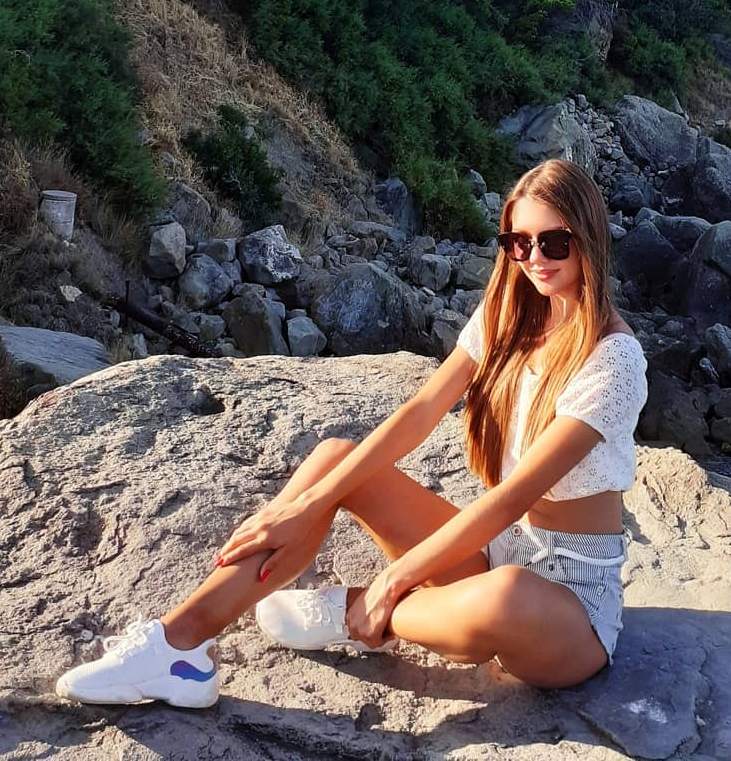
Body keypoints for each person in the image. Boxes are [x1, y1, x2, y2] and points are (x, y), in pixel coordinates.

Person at [56, 159, 648, 707]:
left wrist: (392, 580)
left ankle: (355, 611)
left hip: (570, 609)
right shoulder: (508, 314)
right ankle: (179, 645)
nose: (535, 258)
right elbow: (421, 411)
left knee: (507, 595)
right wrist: (305, 505)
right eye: (519, 243)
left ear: (587, 239)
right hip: (494, 556)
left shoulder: (614, 360)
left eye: (553, 242)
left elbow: (511, 498)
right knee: (335, 460)